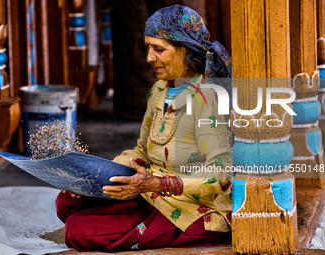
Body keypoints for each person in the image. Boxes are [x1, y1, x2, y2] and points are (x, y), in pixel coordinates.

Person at [56, 5, 233, 252]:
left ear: (186, 52)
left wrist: (157, 185)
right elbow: (142, 150)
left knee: (78, 231)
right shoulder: (159, 90)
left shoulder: (207, 99)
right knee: (66, 201)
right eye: (148, 48)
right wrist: (97, 175)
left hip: (190, 206)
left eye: (159, 50)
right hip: (150, 191)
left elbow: (222, 174)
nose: (149, 58)